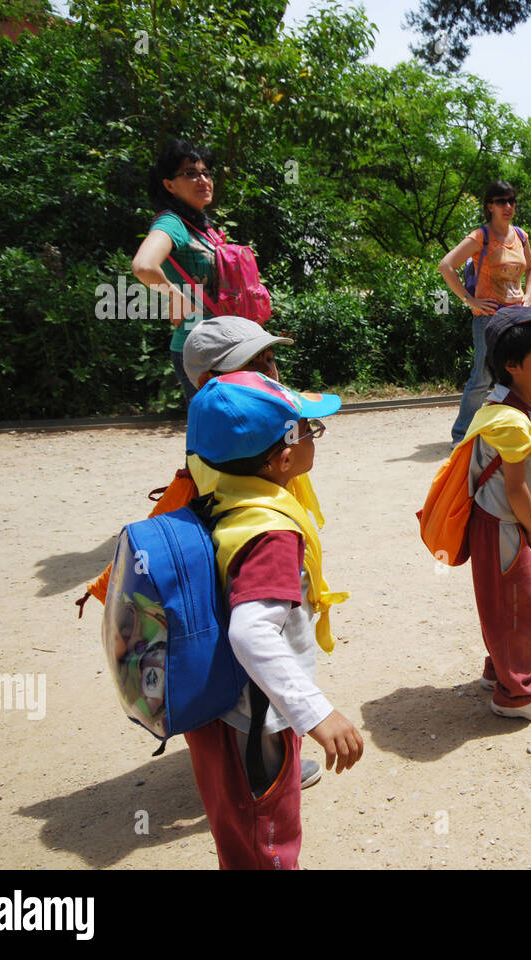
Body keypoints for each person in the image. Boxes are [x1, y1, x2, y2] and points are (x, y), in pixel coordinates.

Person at [183, 372, 363, 868]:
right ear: (284, 458)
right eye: (309, 429)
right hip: (255, 717)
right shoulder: (272, 535)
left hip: (216, 708)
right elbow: (251, 630)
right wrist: (316, 713)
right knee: (269, 839)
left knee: (238, 835)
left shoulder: (217, 495)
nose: (313, 436)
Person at [464, 300, 531, 722]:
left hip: (501, 523)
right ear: (513, 364)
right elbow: (515, 487)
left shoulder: (512, 404)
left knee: (505, 600)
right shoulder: (510, 419)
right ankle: (517, 693)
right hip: (503, 524)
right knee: (519, 604)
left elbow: (529, 474)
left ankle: (502, 670)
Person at [439, 180, 531, 445]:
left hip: (517, 317)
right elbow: (446, 265)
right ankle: (461, 436)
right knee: (482, 376)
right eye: (501, 201)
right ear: (489, 206)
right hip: (489, 318)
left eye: (512, 201)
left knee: (518, 372)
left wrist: (528, 296)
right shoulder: (480, 237)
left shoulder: (520, 235)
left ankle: (514, 428)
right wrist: (469, 300)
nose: (508, 206)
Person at [132, 140, 223, 405]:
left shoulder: (202, 225)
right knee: (217, 432)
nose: (203, 180)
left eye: (206, 173)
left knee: (232, 432)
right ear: (169, 185)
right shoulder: (172, 223)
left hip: (222, 341)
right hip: (199, 348)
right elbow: (144, 266)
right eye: (191, 174)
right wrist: (174, 295)